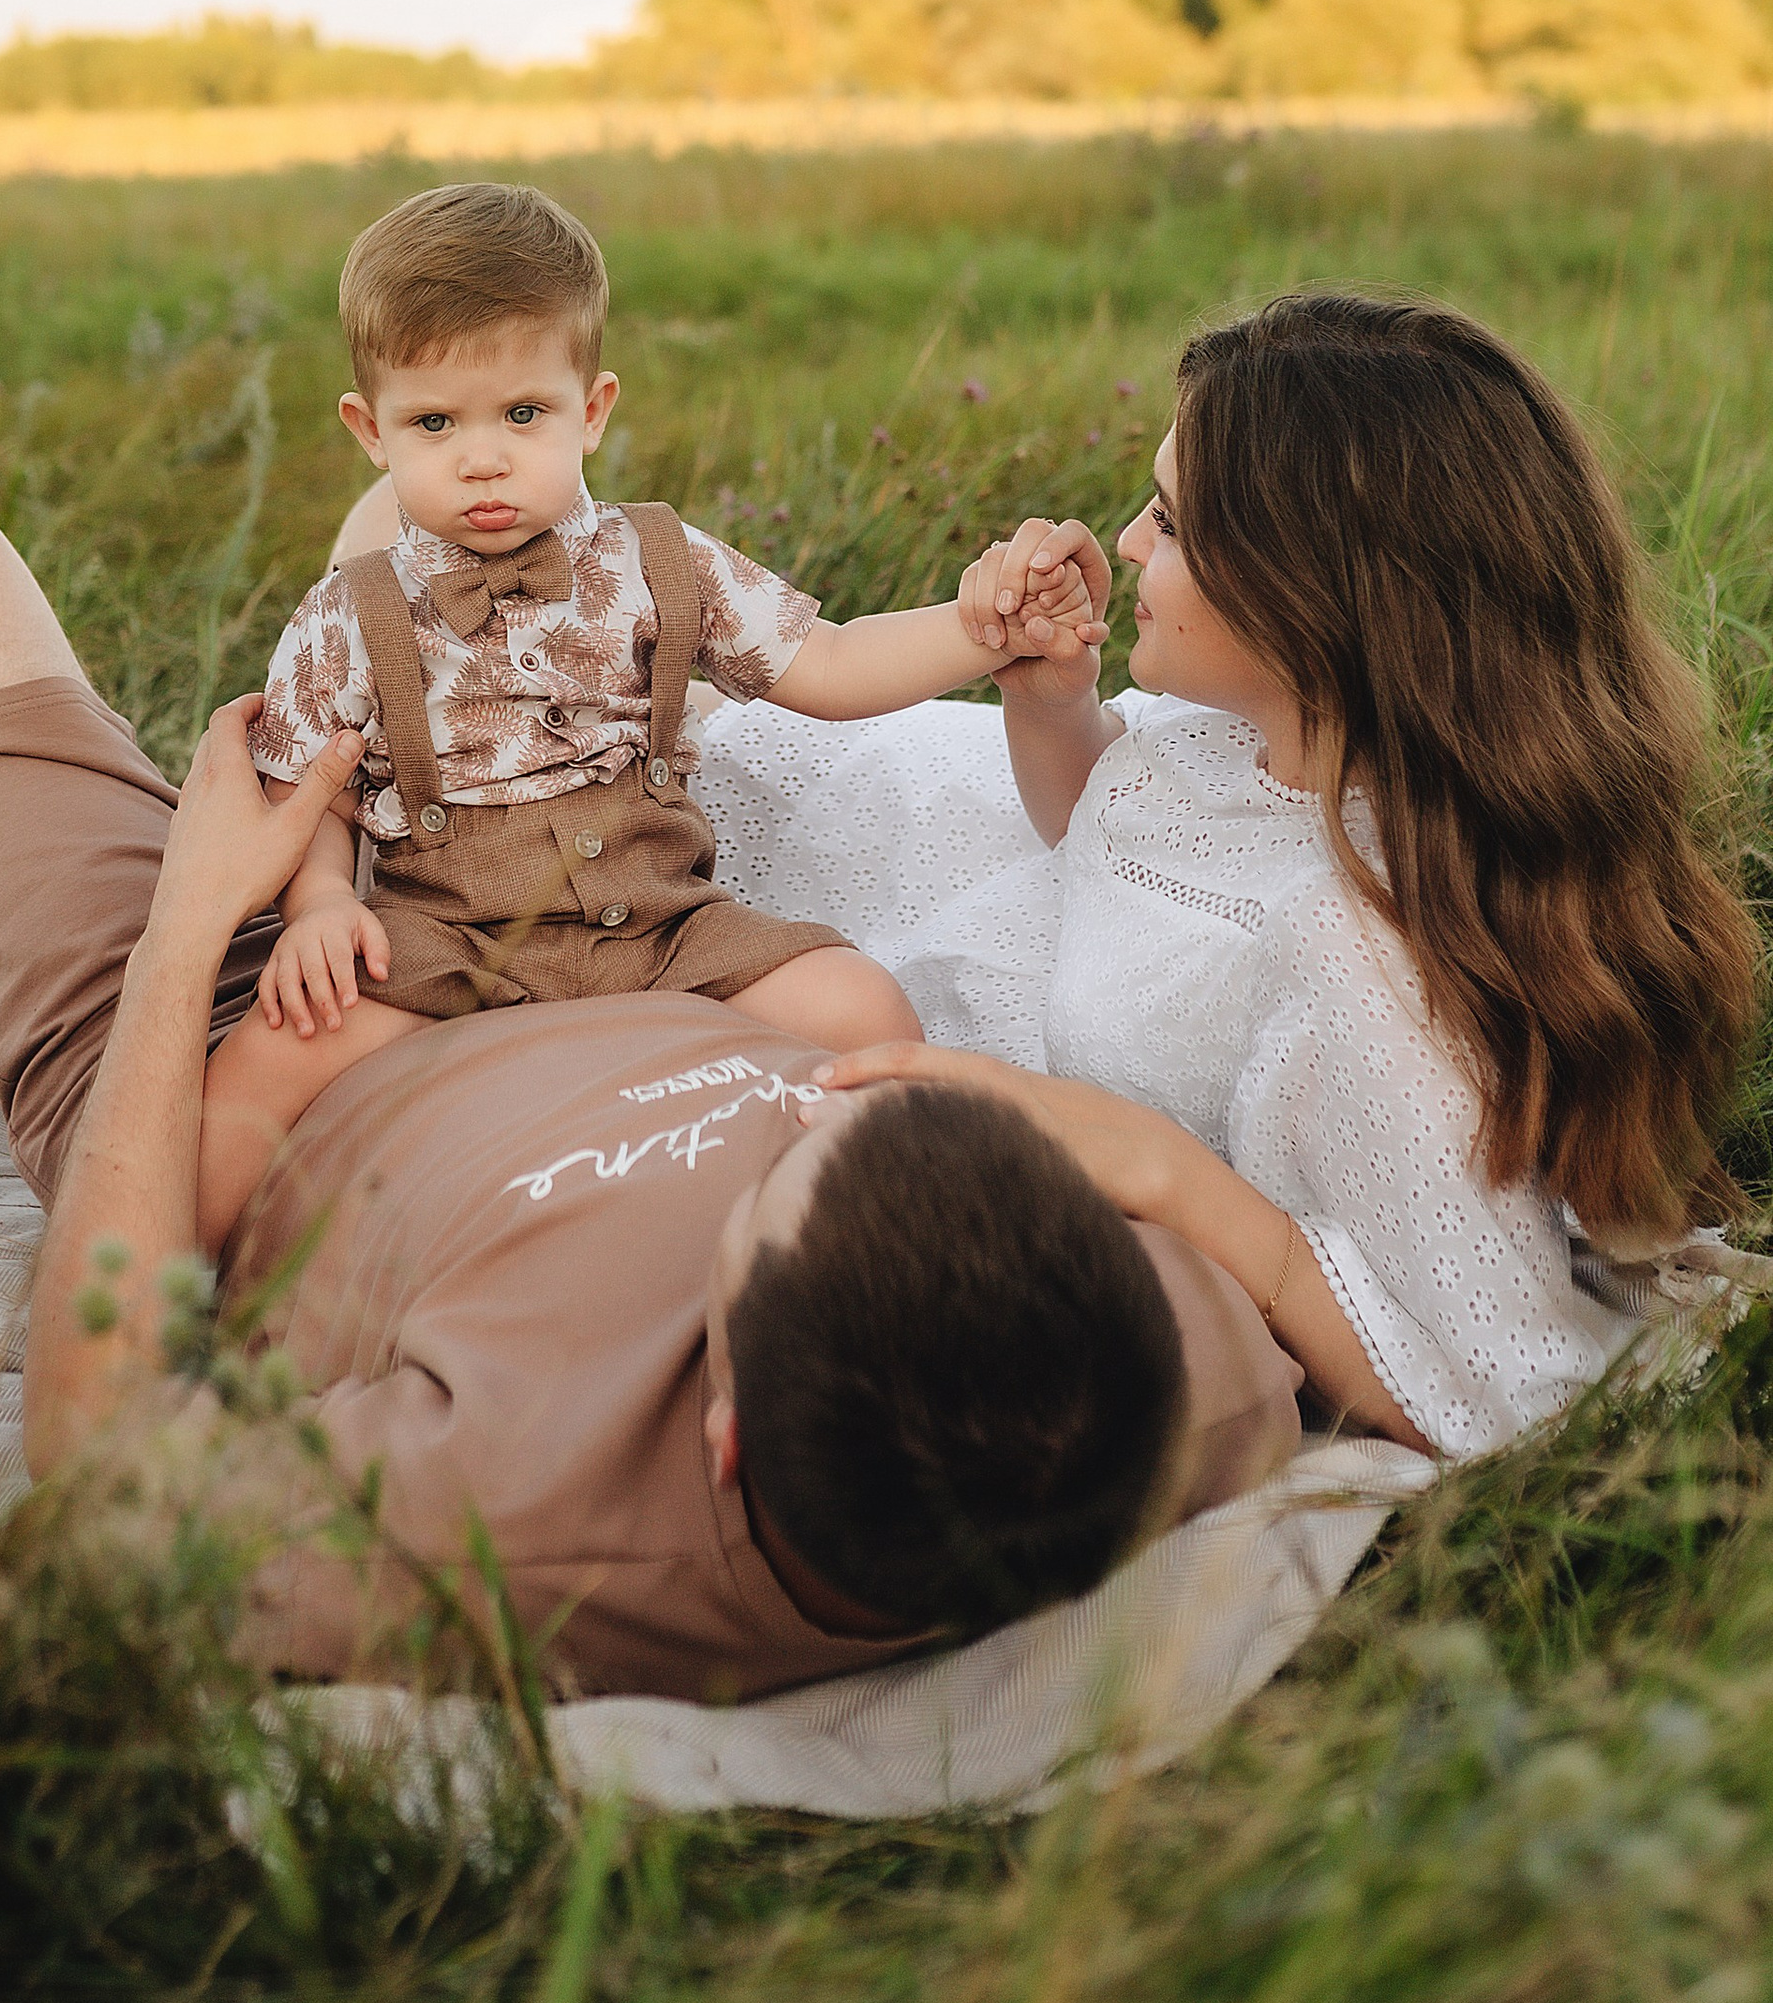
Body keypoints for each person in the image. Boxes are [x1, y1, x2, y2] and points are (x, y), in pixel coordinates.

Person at [0, 484, 1303, 1702]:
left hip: (248, 1064)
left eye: (792, 1156)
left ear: (718, 1433)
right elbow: (1348, 1329)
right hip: (557, 921)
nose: (810, 1103)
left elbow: (92, 1457)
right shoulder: (1136, 1378)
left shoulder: (500, 1522)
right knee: (406, 523)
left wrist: (191, 926)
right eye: (848, 1102)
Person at [695, 290, 1763, 1458]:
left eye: (1169, 520)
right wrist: (1051, 707)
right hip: (955, 840)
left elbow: (1494, 1390)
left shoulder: (1365, 954)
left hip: (935, 960)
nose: (1130, 543)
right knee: (648, 740)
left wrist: (1165, 1173)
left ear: (1313, 599)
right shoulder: (1287, 744)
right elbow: (1118, 837)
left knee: (600, 842)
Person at [201, 183, 1096, 1242]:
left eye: (522, 414)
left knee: (860, 1007)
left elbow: (832, 663)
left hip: (659, 920)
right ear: (369, 429)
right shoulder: (345, 611)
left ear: (593, 408)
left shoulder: (661, 562)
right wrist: (317, 908)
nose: (480, 456)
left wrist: (981, 629)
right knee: (263, 1059)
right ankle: (173, 1298)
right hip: (446, 937)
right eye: (433, 422)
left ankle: (880, 1240)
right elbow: (311, 787)